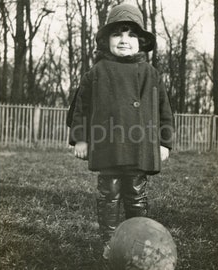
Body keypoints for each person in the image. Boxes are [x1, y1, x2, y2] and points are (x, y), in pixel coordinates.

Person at [68, 3, 174, 260]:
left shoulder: (151, 74)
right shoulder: (96, 72)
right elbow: (79, 108)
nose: (124, 40)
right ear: (106, 40)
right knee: (109, 195)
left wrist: (164, 142)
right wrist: (80, 139)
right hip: (108, 147)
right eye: (117, 34)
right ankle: (110, 242)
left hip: (139, 147)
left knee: (137, 194)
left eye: (131, 35)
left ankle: (139, 241)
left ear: (141, 42)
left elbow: (164, 111)